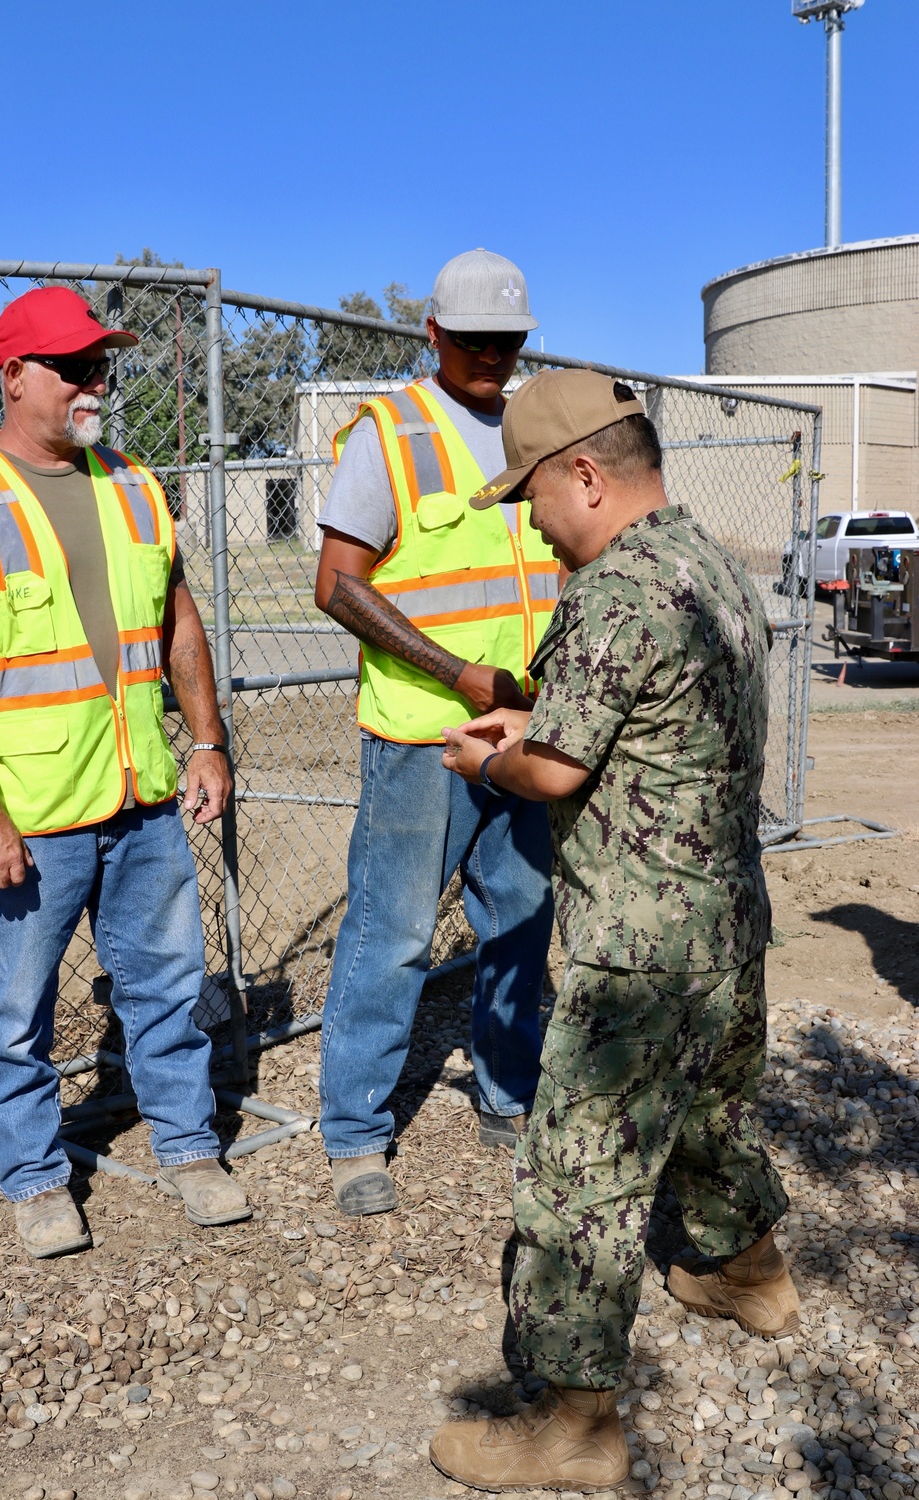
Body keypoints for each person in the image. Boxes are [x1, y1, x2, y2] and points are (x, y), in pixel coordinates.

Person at [431, 369, 798, 1492]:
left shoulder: (610, 591)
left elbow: (555, 767)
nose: (533, 526)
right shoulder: (715, 572)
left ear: (584, 475)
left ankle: (575, 1426)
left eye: (532, 498)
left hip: (637, 945)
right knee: (712, 1108)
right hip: (723, 919)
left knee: (577, 1175)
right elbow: (648, 715)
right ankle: (754, 1277)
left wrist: (490, 756)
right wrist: (539, 718)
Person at [0, 286, 250, 1258]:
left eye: (101, 364)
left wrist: (207, 740)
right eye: (73, 366)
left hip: (140, 796)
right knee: (16, 1009)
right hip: (27, 814)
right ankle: (32, 1176)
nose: (95, 381)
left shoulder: (138, 485)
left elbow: (177, 621)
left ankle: (191, 1148)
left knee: (165, 985)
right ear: (13, 375)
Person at [314, 249, 560, 1216]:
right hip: (422, 735)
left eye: (508, 341)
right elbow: (337, 583)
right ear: (433, 336)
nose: (493, 358)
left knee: (521, 915)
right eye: (473, 342)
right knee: (395, 932)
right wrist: (459, 676)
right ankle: (356, 1131)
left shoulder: (535, 430)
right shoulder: (394, 433)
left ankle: (508, 1092)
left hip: (525, 727)